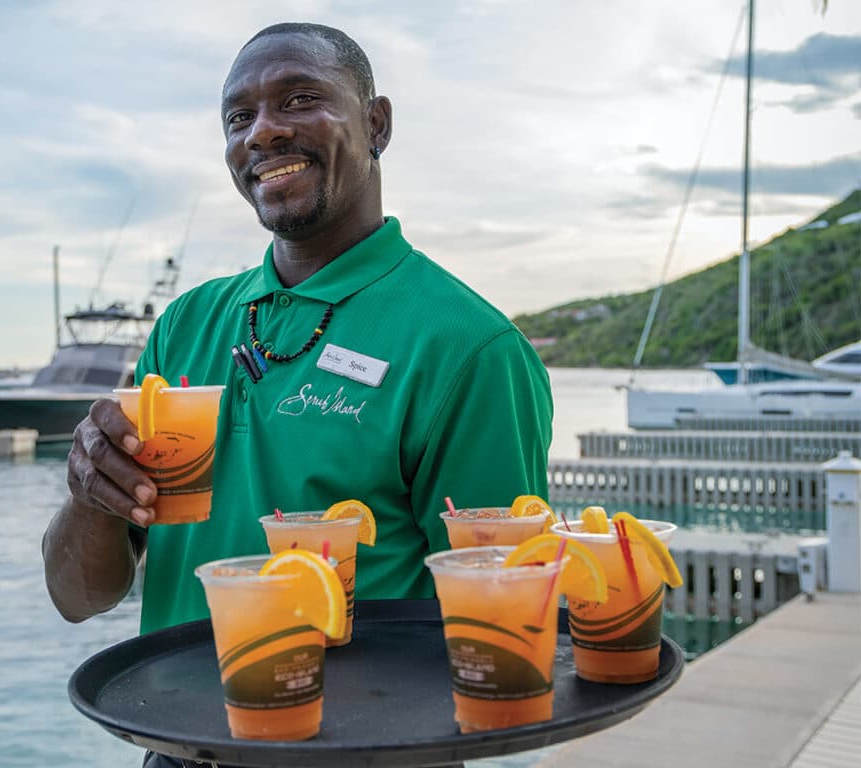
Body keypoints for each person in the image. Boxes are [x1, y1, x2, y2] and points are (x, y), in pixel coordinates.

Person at [43, 21, 552, 767]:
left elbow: (503, 627)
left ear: (376, 124)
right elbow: (78, 599)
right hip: (178, 745)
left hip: (365, 753)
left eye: (301, 99)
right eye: (238, 117)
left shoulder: (468, 348)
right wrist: (90, 494)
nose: (263, 133)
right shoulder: (187, 323)